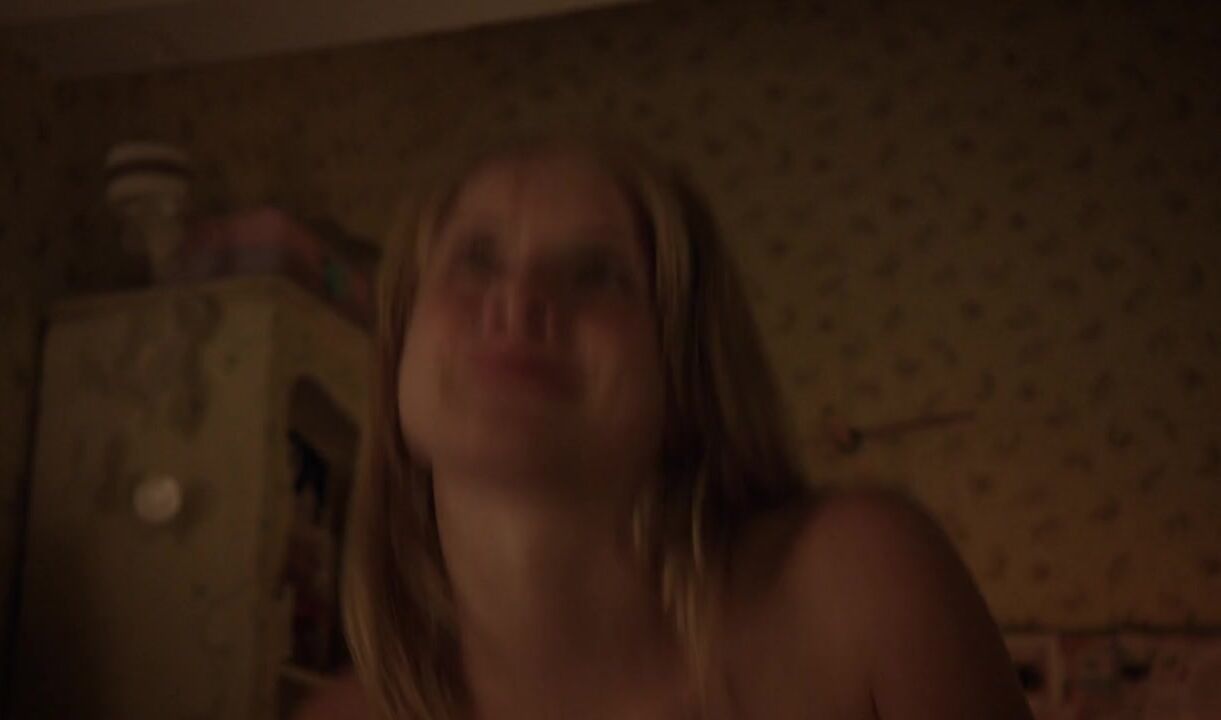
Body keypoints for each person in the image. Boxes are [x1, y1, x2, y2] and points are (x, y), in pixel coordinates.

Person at [312, 133, 1034, 719]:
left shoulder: (856, 592)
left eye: (598, 272)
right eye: (475, 260)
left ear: (686, 373)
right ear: (399, 347)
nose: (520, 298)